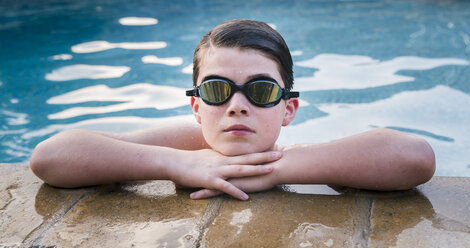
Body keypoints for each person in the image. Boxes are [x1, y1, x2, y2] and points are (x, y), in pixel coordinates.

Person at [30, 19, 435, 201]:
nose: (236, 106)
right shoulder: (187, 144)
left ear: (287, 109)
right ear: (196, 106)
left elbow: (414, 158)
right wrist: (177, 164)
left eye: (259, 90)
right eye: (217, 89)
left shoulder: (296, 155)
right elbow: (51, 157)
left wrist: (275, 169)